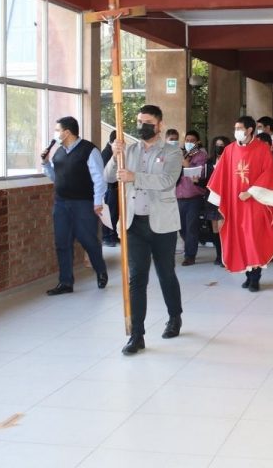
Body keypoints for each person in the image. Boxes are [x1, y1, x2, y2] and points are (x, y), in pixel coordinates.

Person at [105, 105, 183, 354]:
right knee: (137, 278)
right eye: (139, 121)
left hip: (162, 224)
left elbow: (167, 181)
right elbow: (110, 176)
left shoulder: (172, 152)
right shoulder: (128, 149)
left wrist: (134, 176)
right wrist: (112, 153)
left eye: (147, 122)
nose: (142, 126)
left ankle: (174, 316)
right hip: (134, 224)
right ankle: (137, 335)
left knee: (165, 273)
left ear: (159, 125)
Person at [208, 116, 273, 293]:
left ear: (250, 130)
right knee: (240, 239)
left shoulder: (262, 149)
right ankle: (247, 275)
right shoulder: (229, 150)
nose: (236, 131)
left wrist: (250, 192)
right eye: (235, 128)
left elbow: (269, 174)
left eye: (239, 128)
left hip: (255, 203)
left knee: (254, 239)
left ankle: (255, 278)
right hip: (236, 205)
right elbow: (221, 174)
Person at [41, 116, 109, 295]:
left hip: (83, 203)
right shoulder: (58, 152)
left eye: (58, 130)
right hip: (61, 203)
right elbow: (57, 178)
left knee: (88, 240)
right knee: (62, 242)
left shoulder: (88, 150)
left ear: (67, 132)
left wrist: (97, 202)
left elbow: (99, 178)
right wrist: (46, 163)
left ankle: (100, 271)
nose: (55, 134)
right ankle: (65, 282)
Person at [176, 130, 209, 266]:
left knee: (191, 227)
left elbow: (200, 173)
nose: (189, 143)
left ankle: (190, 255)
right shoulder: (180, 154)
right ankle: (192, 244)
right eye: (187, 140)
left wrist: (187, 165)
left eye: (192, 140)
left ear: (197, 142)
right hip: (179, 196)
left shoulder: (201, 156)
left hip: (194, 197)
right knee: (181, 227)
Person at [203, 136, 229, 266]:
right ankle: (219, 254)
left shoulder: (230, 160)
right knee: (215, 228)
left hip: (225, 198)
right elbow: (206, 181)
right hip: (211, 198)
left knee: (222, 226)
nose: (220, 147)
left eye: (222, 145)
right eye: (218, 145)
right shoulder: (209, 162)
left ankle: (226, 255)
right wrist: (197, 181)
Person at [100, 130, 120, 247]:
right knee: (110, 214)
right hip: (110, 188)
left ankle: (113, 235)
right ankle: (107, 237)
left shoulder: (115, 152)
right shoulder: (107, 153)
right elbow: (106, 173)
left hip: (116, 187)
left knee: (115, 214)